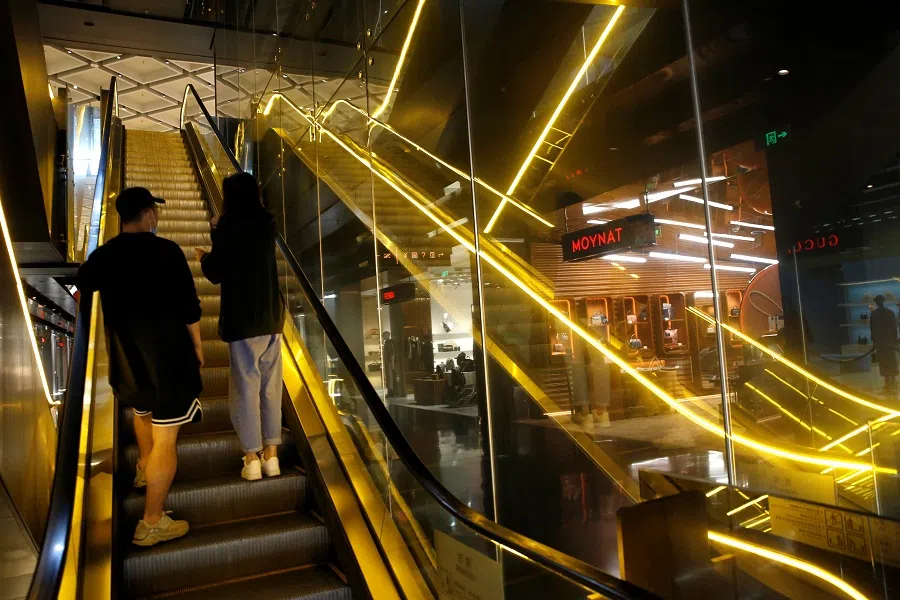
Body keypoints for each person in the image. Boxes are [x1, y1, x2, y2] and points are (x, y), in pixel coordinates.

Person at [77, 187, 203, 547]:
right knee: (168, 441)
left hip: (128, 365)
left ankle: (144, 468)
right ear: (148, 214)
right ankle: (151, 521)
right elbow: (189, 306)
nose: (157, 217)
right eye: (155, 212)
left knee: (141, 410)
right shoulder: (167, 251)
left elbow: (81, 284)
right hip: (168, 364)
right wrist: (197, 346)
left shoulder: (105, 255)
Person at [196, 173, 285, 481]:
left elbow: (217, 272)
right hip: (272, 318)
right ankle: (272, 456)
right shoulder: (267, 223)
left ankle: (251, 458)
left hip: (243, 321)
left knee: (246, 389)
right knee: (271, 389)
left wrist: (205, 254)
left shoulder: (228, 226)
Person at [870, 295, 898, 390]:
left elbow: (893, 328)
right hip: (885, 341)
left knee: (888, 360)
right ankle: (889, 377)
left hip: (884, 341)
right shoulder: (888, 313)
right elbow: (873, 329)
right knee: (887, 360)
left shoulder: (877, 314)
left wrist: (874, 340)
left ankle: (891, 378)